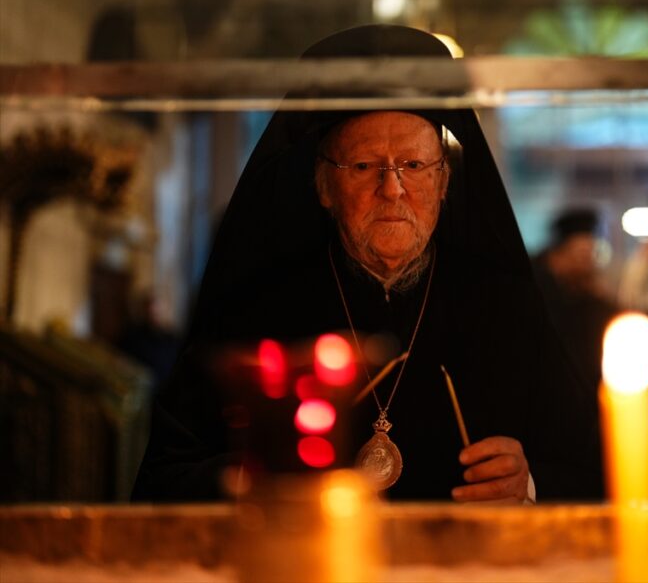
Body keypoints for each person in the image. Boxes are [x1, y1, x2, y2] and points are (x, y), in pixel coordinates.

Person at [132, 25, 602, 503]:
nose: (393, 189)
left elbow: (595, 469)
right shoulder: (255, 310)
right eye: (363, 166)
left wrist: (528, 485)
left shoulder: (507, 307)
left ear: (443, 182)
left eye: (413, 166)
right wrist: (256, 479)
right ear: (323, 186)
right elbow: (164, 481)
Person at [531, 208, 619, 394]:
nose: (588, 264)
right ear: (558, 256)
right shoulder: (540, 294)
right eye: (582, 255)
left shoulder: (593, 299)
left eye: (591, 255)